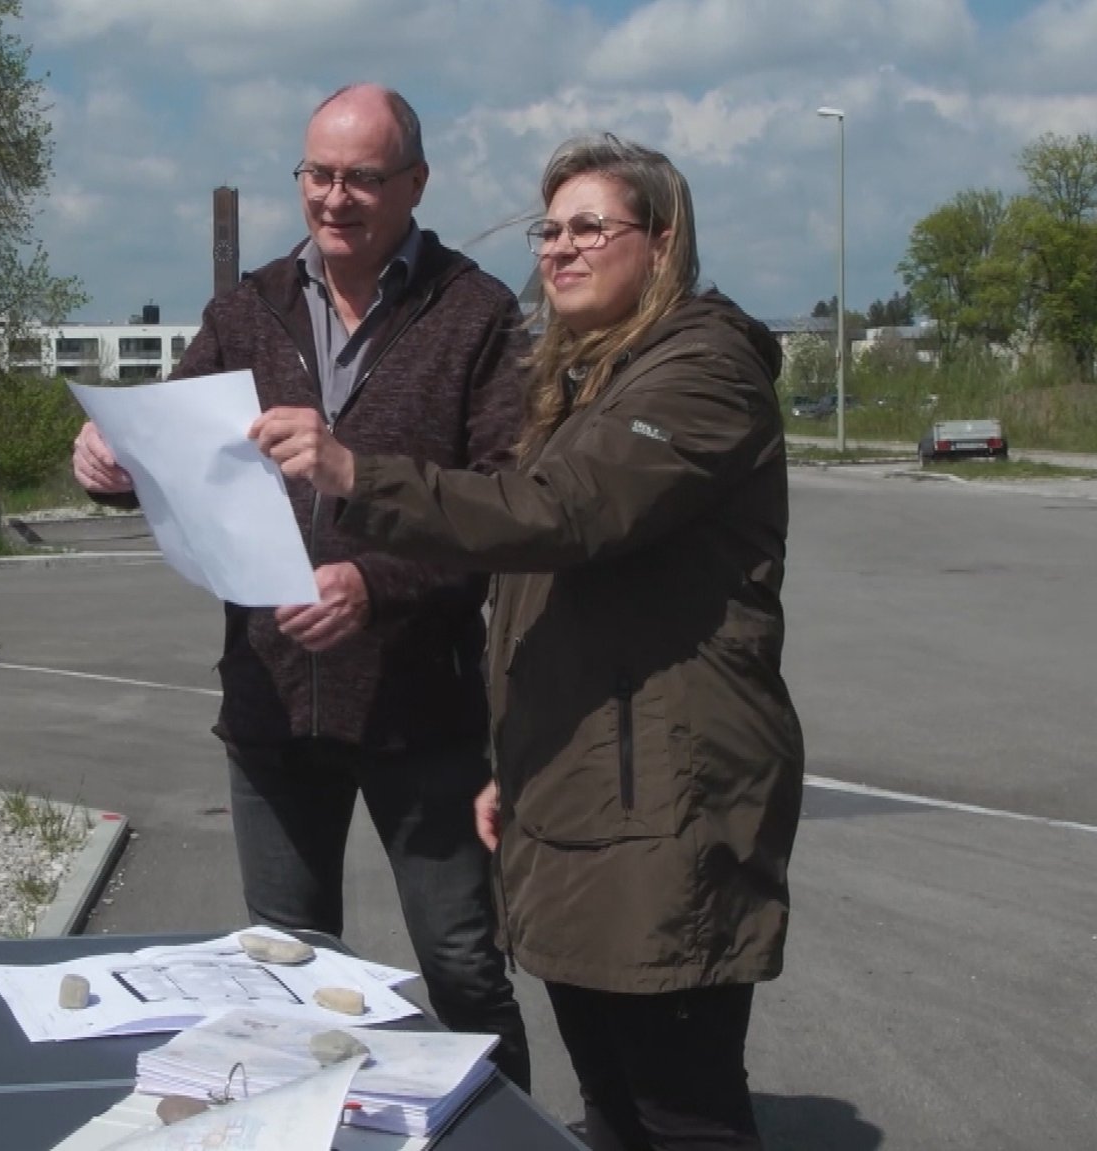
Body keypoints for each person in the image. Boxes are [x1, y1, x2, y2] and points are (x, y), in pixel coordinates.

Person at [252, 132, 805, 1150]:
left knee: (679, 1106)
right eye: (548, 229)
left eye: (590, 226)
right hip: (583, 776)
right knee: (608, 1096)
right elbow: (543, 593)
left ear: (664, 241)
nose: (558, 248)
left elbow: (559, 510)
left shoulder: (699, 373)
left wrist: (352, 475)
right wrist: (523, 758)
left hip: (667, 798)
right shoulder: (588, 373)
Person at [72, 83, 531, 1087]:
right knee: (284, 966)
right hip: (271, 699)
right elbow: (170, 446)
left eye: (362, 177)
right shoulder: (245, 310)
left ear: (414, 183)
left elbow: (505, 506)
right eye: (317, 174)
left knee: (459, 965)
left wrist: (375, 581)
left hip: (421, 708)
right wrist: (106, 459)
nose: (334, 198)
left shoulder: (475, 314)